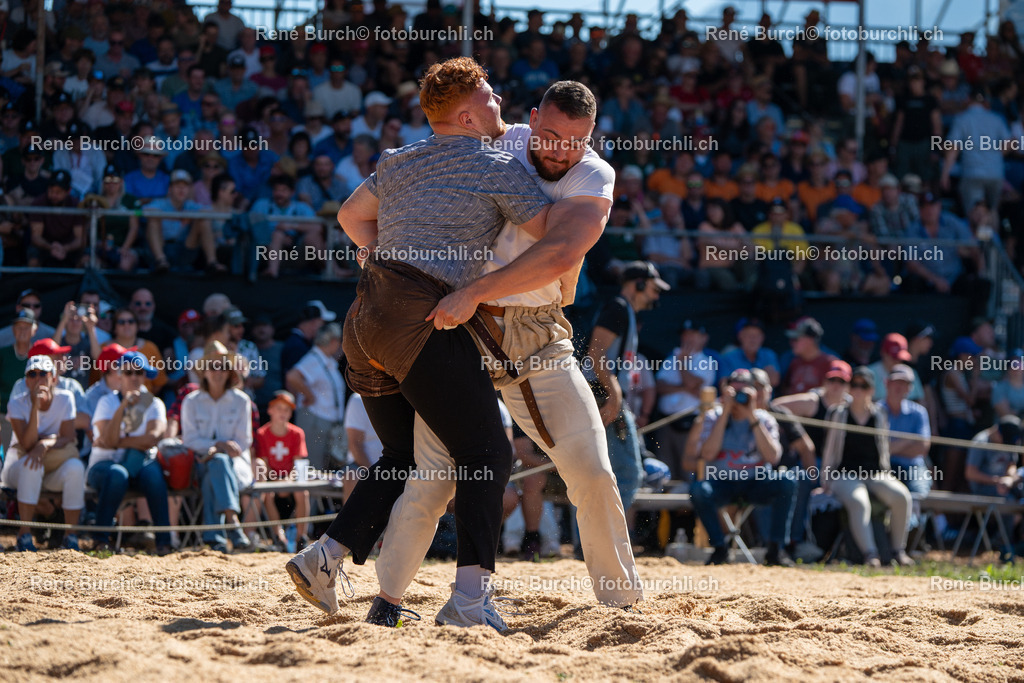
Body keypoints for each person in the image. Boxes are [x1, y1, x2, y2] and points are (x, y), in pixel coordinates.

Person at [344, 81, 645, 626]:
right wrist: (390, 265)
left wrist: (473, 290)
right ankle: (387, 602)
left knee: (593, 470)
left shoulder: (594, 174)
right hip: (461, 330)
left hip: (535, 331)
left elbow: (560, 251)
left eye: (575, 141)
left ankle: (620, 604)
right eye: (550, 136)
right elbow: (381, 199)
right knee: (431, 480)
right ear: (532, 120)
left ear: (592, 138)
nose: (560, 150)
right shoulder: (492, 142)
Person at [286, 59, 572, 630]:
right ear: (467, 115)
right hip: (419, 317)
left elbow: (348, 215)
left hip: (366, 317)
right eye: (491, 98)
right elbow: (553, 231)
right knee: (487, 454)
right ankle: (469, 600)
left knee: (401, 457)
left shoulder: (399, 158)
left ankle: (326, 557)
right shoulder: (492, 163)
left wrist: (376, 255)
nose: (500, 105)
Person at [689, 368, 796, 566]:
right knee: (698, 490)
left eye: (743, 392)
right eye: (734, 391)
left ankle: (775, 549)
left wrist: (751, 414)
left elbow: (773, 458)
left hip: (756, 483)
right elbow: (707, 454)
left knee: (787, 481)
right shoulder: (714, 416)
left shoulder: (764, 418)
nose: (738, 396)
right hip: (722, 483)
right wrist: (726, 411)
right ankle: (720, 548)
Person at [585, 261, 667, 510]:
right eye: (654, 288)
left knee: (600, 473)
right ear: (638, 284)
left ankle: (596, 541)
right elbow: (595, 354)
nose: (657, 294)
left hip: (603, 397)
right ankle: (606, 538)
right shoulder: (618, 308)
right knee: (628, 473)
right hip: (603, 397)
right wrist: (614, 394)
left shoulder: (625, 312)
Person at [820, 367, 915, 567]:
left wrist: (887, 475)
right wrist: (825, 480)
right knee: (859, 501)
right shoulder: (838, 413)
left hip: (875, 473)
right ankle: (870, 554)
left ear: (872, 389)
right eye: (854, 385)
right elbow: (829, 450)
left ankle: (898, 550)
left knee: (902, 496)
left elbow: (884, 449)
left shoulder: (879, 414)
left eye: (864, 386)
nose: (858, 390)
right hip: (844, 474)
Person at [88, 351, 171, 553]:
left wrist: (118, 442)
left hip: (139, 464)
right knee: (118, 474)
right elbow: (108, 440)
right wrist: (124, 405)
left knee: (154, 476)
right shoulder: (107, 402)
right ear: (120, 375)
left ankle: (164, 543)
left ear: (144, 376)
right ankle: (100, 540)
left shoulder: (155, 403)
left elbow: (152, 438)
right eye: (128, 372)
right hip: (102, 466)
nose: (134, 377)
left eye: (139, 372)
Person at [1, 356, 85, 552]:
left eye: (43, 373)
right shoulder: (16, 403)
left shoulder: (65, 398)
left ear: (54, 378)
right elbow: (28, 444)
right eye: (32, 374)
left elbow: (69, 436)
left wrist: (45, 444)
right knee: (33, 464)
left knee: (76, 468)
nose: (37, 378)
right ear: (26, 380)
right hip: (17, 469)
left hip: (50, 466)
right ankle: (24, 534)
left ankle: (70, 536)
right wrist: (35, 408)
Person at [180, 341, 254, 552]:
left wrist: (220, 449)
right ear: (203, 372)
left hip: (234, 465)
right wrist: (218, 445)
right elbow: (189, 440)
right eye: (212, 366)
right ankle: (233, 525)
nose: (218, 372)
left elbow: (243, 441)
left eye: (222, 366)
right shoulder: (191, 401)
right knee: (216, 464)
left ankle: (216, 538)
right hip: (198, 465)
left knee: (217, 466)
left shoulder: (241, 400)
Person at [655, 321, 716, 476]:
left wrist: (681, 364)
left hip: (691, 424)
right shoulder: (671, 358)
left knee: (688, 470)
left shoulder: (706, 362)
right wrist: (685, 388)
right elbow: (659, 386)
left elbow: (693, 382)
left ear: (704, 338)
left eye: (693, 335)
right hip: (666, 422)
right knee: (664, 470)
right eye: (685, 334)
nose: (688, 338)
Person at [253, 390, 310, 550]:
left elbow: (298, 465)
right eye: (278, 408)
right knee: (268, 494)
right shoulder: (262, 434)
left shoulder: (297, 433)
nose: (282, 413)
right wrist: (277, 481)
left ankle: (301, 537)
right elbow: (264, 464)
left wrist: (287, 482)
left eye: (286, 409)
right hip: (271, 481)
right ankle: (279, 537)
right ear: (270, 410)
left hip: (290, 481)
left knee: (303, 492)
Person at [285, 323, 346, 470]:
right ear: (333, 341)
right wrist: (310, 396)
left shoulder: (326, 360)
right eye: (340, 343)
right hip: (315, 422)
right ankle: (312, 495)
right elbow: (292, 376)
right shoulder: (313, 358)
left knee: (325, 471)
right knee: (314, 469)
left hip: (327, 424)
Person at [965, 415, 1022, 561]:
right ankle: (1006, 547)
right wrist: (996, 481)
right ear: (997, 431)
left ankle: (1003, 540)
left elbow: (1011, 464)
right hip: (982, 488)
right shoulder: (981, 441)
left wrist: (1009, 478)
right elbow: (970, 473)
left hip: (1004, 486)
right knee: (1008, 500)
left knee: (1019, 497)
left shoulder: (1009, 439)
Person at [884, 364, 933, 532]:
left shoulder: (919, 412)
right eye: (896, 382)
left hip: (913, 467)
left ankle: (909, 534)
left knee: (917, 492)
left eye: (905, 383)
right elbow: (877, 449)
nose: (900, 387)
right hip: (884, 466)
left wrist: (890, 446)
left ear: (911, 388)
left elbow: (922, 449)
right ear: (886, 383)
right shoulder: (876, 410)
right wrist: (908, 441)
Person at [781, 317, 835, 396]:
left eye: (796, 339)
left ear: (810, 340)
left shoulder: (830, 363)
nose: (791, 343)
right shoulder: (794, 362)